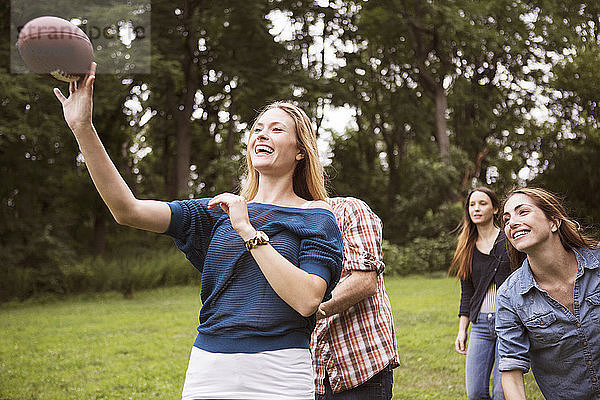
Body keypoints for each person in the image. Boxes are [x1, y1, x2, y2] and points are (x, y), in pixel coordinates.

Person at [53, 63, 343, 400]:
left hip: (279, 373)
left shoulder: (315, 215)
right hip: (210, 369)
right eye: (258, 128)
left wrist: (247, 229)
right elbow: (127, 210)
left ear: (299, 152)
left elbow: (308, 300)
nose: (262, 134)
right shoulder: (216, 210)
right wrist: (82, 127)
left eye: (276, 130)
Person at [496, 187, 600, 400]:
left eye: (522, 212)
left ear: (554, 221)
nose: (511, 223)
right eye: (507, 220)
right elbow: (511, 369)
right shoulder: (509, 296)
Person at [311, 197, 399, 400]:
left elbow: (365, 282)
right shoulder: (284, 222)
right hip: (307, 373)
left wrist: (309, 310)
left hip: (358, 367)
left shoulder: (348, 210)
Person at [449, 187, 511, 400]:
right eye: (472, 204)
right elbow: (467, 292)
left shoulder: (510, 241)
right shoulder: (466, 246)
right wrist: (462, 330)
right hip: (481, 326)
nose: (476, 208)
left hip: (509, 324)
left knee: (502, 393)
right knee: (475, 392)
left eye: (482, 203)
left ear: (495, 209)